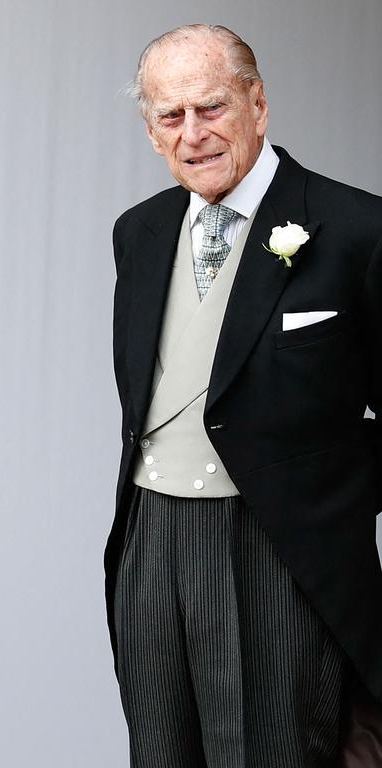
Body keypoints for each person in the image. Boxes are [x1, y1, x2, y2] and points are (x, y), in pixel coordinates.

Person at [107, 24, 382, 766]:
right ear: (152, 131)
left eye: (211, 108)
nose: (192, 134)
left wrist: (333, 495)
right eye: (171, 116)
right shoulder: (139, 232)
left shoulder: (360, 228)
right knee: (160, 753)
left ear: (257, 104)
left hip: (281, 550)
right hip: (151, 537)